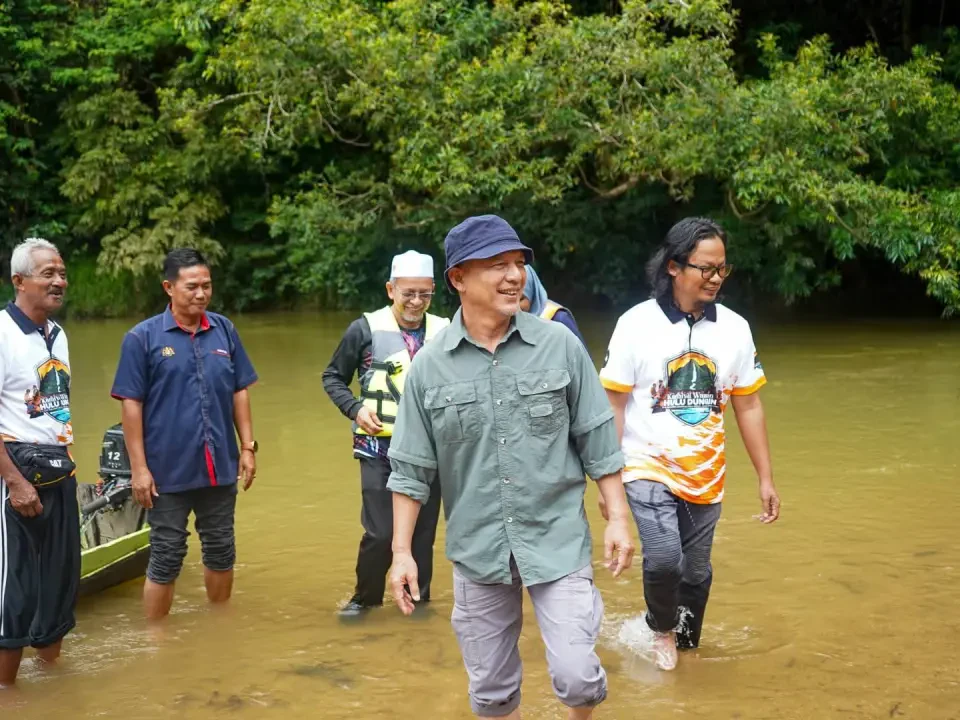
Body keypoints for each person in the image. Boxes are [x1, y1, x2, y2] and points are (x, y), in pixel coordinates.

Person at [387, 215, 636, 720]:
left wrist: (616, 517)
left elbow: (597, 438)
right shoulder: (429, 366)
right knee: (492, 694)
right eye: (497, 265)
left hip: (557, 540)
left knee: (578, 678)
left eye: (519, 263)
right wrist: (401, 553)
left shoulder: (559, 345)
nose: (514, 276)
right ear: (458, 278)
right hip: (478, 549)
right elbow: (410, 469)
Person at [598, 217, 781, 671]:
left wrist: (765, 478)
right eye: (706, 268)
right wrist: (609, 482)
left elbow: (748, 406)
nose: (716, 278)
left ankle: (685, 650)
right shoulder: (635, 324)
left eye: (723, 269)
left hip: (705, 470)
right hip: (645, 464)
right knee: (664, 559)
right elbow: (613, 405)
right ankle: (660, 628)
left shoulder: (735, 329)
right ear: (674, 266)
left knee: (695, 573)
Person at [110, 248, 259, 621]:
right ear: (169, 287)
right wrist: (139, 470)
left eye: (206, 285)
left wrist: (247, 447)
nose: (201, 293)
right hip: (166, 471)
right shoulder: (142, 338)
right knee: (167, 553)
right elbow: (131, 405)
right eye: (192, 286)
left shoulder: (224, 330)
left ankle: (219, 625)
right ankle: (156, 638)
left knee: (221, 548)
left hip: (218, 465)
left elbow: (240, 390)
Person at [322, 250, 449, 618]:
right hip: (379, 446)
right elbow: (333, 377)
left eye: (424, 294)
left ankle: (417, 602)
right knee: (380, 533)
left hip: (430, 450)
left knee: (422, 534)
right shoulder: (364, 329)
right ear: (391, 290)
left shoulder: (446, 330)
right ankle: (366, 599)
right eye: (408, 293)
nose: (416, 302)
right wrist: (355, 409)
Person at [0, 238, 78, 687]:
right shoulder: (3, 334)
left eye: (62, 274)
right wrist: (14, 482)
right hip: (14, 472)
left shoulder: (57, 334)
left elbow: (56, 407)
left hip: (58, 468)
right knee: (14, 593)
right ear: (19, 280)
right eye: (48, 273)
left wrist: (69, 459)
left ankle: (52, 695)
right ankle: (8, 699)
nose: (59, 281)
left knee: (58, 586)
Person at [519, 265, 586, 345]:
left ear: (532, 294)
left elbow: (579, 352)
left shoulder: (558, 318)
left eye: (520, 299)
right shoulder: (508, 321)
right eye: (510, 299)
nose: (515, 306)